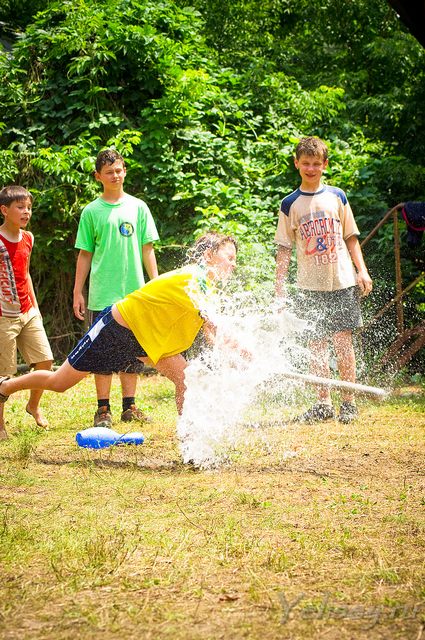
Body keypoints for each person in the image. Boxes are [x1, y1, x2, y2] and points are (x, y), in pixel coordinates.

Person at [0, 233, 243, 419]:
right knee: (59, 383)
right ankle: (5, 386)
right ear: (209, 255)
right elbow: (217, 325)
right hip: (116, 329)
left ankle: (190, 444)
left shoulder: (206, 285)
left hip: (145, 339)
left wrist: (235, 357)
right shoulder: (193, 278)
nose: (233, 265)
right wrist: (250, 353)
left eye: (235, 260)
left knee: (186, 378)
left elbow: (211, 331)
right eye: (229, 258)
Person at [274, 136, 373, 424]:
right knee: (316, 344)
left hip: (341, 281)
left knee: (343, 342)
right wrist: (279, 288)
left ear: (325, 164)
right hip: (309, 285)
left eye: (316, 163)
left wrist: (362, 270)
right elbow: (283, 248)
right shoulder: (289, 203)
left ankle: (349, 401)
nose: (311, 168)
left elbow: (351, 238)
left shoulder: (337, 196)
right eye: (306, 163)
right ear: (296, 164)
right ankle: (323, 403)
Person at [73, 149, 159, 429]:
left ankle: (129, 406)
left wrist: (154, 285)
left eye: (119, 170)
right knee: (101, 352)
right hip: (102, 293)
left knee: (132, 350)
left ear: (125, 171)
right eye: (109, 172)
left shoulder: (138, 207)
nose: (116, 175)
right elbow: (84, 254)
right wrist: (78, 291)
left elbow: (148, 250)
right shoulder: (91, 211)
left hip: (135, 293)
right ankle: (102, 409)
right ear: (98, 176)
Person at [0, 185, 53, 439]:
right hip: (3, 315)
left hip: (27, 310)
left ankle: (33, 405)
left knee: (45, 361)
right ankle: (0, 426)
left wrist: (36, 308)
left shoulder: (28, 238)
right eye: (20, 207)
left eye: (29, 207)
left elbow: (26, 273)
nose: (26, 212)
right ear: (4, 210)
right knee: (3, 374)